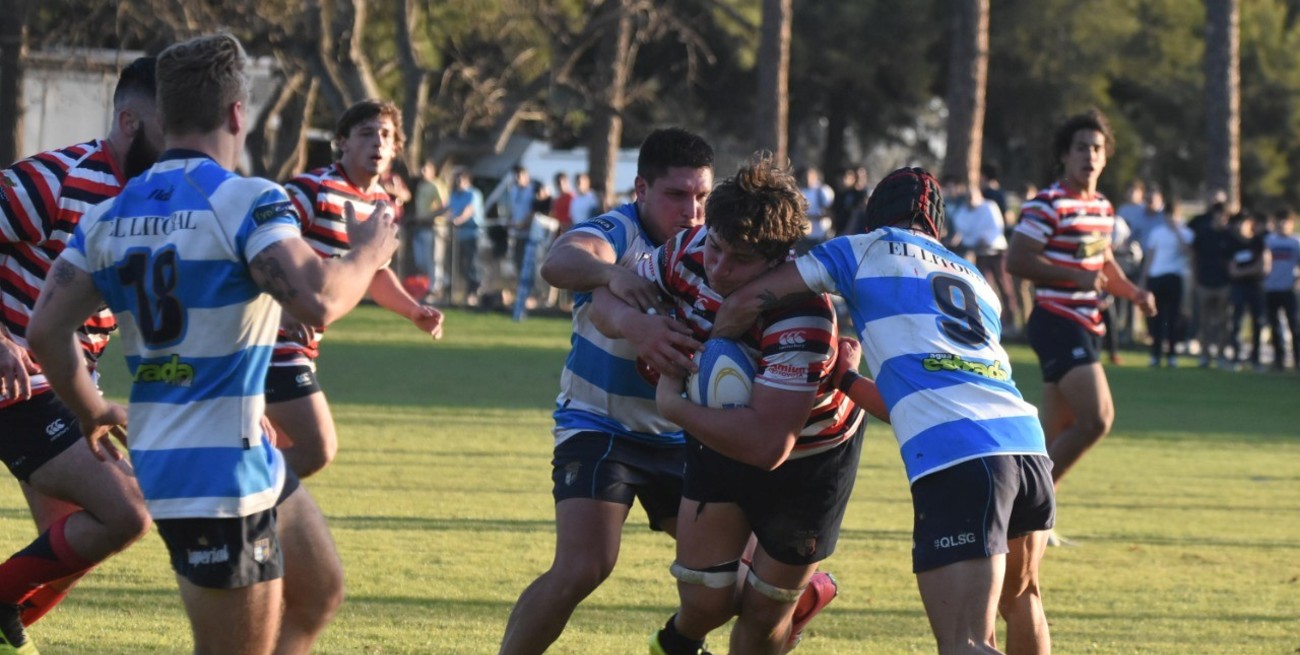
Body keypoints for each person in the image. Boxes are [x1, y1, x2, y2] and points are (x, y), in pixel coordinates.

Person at [27, 33, 401, 655]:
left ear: (164, 118)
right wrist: (370, 249)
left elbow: (44, 329)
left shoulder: (108, 215)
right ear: (237, 114)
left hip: (229, 452)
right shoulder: (246, 200)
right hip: (214, 477)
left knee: (317, 592)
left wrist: (91, 409)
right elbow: (320, 300)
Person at [712, 167, 1055, 655]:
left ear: (876, 213)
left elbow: (752, 297)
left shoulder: (863, 248)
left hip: (960, 458)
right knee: (1023, 600)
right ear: (936, 226)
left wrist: (707, 348)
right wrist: (846, 380)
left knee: (966, 643)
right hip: (1027, 448)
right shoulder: (978, 281)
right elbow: (915, 401)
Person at [592, 155, 868, 655]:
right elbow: (602, 301)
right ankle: (789, 603)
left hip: (809, 460)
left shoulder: (802, 315)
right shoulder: (688, 249)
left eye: (739, 260)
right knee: (704, 604)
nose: (718, 267)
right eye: (716, 247)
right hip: (718, 438)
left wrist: (674, 408)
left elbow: (768, 446)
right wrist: (643, 327)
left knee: (763, 616)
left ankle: (785, 605)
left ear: (779, 259)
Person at [495, 128, 715, 655]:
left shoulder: (715, 248)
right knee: (583, 567)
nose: (692, 210)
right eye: (677, 195)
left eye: (702, 196)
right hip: (599, 426)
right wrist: (610, 274)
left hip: (680, 435)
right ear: (640, 189)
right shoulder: (618, 230)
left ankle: (677, 643)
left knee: (728, 573)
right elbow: (559, 262)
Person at [0, 56, 160, 654]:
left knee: (69, 544)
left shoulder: (156, 200)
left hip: (60, 385)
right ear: (129, 122)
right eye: (172, 130)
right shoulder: (58, 178)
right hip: (17, 381)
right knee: (125, 513)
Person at [271, 100, 445, 477]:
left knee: (278, 454)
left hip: (304, 343)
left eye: (385, 135)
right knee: (316, 447)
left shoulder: (382, 205)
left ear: (396, 148)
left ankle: (250, 524)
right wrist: (280, 306)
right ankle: (231, 494)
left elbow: (375, 273)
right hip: (270, 341)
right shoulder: (310, 189)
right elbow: (259, 248)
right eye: (366, 133)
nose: (377, 143)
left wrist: (412, 309)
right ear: (343, 142)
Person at [1005, 110, 1155, 524]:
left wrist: (1134, 293)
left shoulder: (1103, 209)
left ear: (1105, 157)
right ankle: (1025, 506)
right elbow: (1017, 260)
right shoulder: (1048, 204)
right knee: (1097, 419)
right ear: (1065, 156)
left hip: (1088, 324)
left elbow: (1104, 266)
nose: (1089, 155)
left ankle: (1031, 520)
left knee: (1055, 434)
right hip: (1056, 319)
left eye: (1096, 148)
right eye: (1081, 148)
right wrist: (1074, 276)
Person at [1140, 199, 1193, 367]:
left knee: (1173, 317)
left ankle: (1171, 354)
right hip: (1157, 277)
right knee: (1156, 317)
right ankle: (1155, 353)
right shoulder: (1157, 232)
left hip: (1174, 277)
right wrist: (1144, 277)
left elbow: (1187, 251)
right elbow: (1150, 256)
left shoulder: (1185, 233)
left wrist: (1177, 230)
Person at [1191, 201, 1234, 367]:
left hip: (1224, 283)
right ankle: (1205, 355)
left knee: (1224, 322)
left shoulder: (1230, 236)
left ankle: (1221, 354)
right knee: (1204, 321)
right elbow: (1194, 256)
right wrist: (1195, 278)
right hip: (1204, 282)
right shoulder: (1203, 233)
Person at [1226, 211, 1270, 371]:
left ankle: (1255, 358)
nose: (1239, 226)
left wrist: (1244, 272)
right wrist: (1250, 270)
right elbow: (1232, 270)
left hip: (1256, 287)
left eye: (1242, 222)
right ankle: (1236, 357)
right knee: (1236, 321)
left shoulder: (1259, 242)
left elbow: (1263, 266)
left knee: (1258, 321)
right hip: (1239, 287)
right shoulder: (1233, 243)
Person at [1263, 208, 1300, 371]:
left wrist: (1296, 282)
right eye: (1279, 221)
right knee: (1274, 325)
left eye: (1286, 221)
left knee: (1295, 325)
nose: (1282, 224)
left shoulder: (1296, 243)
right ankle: (1279, 359)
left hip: (1288, 289)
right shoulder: (1269, 241)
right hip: (1271, 288)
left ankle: (1297, 359)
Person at [443, 169, 484, 304]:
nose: (457, 183)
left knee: (473, 264)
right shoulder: (454, 195)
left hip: (472, 234)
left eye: (460, 180)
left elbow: (469, 210)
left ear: (467, 180)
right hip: (458, 236)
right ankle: (463, 292)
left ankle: (474, 292)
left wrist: (457, 221)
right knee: (459, 265)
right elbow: (448, 210)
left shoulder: (473, 194)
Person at [411, 159, 449, 302]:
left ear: (432, 171)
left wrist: (429, 217)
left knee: (434, 260)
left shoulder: (436, 185)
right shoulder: (421, 186)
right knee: (422, 261)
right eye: (421, 169)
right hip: (421, 227)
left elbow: (444, 206)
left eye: (425, 169)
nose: (422, 172)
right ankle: (444, 280)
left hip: (433, 227)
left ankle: (435, 288)